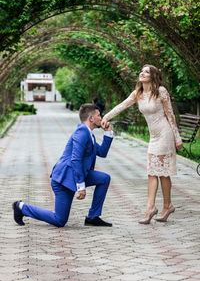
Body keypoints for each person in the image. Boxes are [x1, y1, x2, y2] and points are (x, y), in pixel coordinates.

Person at [101, 64, 183, 224]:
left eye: (146, 71)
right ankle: (160, 206)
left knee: (159, 172)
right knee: (156, 172)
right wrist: (106, 116)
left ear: (153, 76)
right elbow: (122, 105)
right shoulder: (138, 93)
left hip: (165, 134)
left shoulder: (161, 91)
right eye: (142, 71)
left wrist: (177, 137)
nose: (142, 73)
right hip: (153, 137)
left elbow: (170, 115)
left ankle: (158, 207)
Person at [13, 103, 114, 227]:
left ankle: (93, 216)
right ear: (91, 118)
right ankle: (22, 207)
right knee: (59, 220)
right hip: (64, 180)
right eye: (99, 115)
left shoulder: (89, 134)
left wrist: (108, 133)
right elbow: (75, 159)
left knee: (104, 179)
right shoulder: (82, 132)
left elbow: (102, 152)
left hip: (77, 174)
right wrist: (81, 186)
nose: (101, 118)